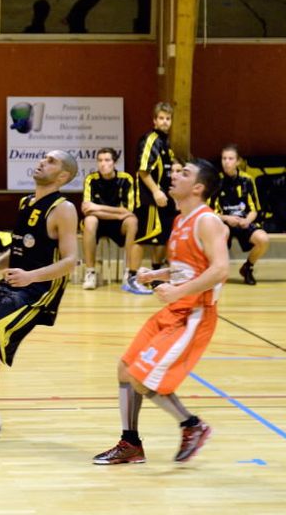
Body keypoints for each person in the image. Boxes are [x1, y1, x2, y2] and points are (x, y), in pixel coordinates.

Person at [92, 158, 227, 465]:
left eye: (184, 173)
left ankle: (192, 425)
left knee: (142, 378)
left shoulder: (208, 221)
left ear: (198, 187)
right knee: (125, 369)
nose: (174, 175)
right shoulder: (181, 220)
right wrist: (157, 275)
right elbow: (187, 268)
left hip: (194, 314)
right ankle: (130, 443)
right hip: (174, 309)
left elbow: (220, 270)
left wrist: (178, 291)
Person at [0, 150, 79, 442]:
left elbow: (71, 260)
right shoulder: (26, 202)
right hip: (14, 282)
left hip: (41, 289)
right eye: (43, 158)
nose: (42, 162)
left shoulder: (63, 209)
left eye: (51, 161)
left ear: (63, 176)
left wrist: (30, 277)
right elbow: (20, 249)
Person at [126, 102, 177, 294]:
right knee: (143, 237)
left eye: (168, 118)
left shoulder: (166, 143)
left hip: (164, 198)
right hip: (149, 198)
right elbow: (143, 170)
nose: (165, 122)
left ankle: (155, 277)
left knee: (162, 238)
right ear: (155, 120)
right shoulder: (151, 139)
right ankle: (131, 277)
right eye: (161, 118)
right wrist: (156, 191)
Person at [80, 148, 138, 290]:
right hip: (98, 223)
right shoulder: (91, 179)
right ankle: (90, 273)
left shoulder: (126, 179)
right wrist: (118, 213)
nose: (103, 164)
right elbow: (87, 209)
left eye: (107, 160)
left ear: (115, 162)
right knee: (90, 220)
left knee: (132, 221)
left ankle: (129, 273)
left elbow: (129, 211)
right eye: (100, 160)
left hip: (119, 225)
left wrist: (97, 207)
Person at [214, 144, 269, 285]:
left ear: (238, 161)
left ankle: (247, 268)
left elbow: (254, 210)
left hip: (243, 222)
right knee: (223, 233)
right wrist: (226, 218)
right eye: (224, 158)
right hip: (223, 223)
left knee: (263, 239)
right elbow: (209, 211)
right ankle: (218, 272)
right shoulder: (216, 181)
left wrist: (247, 220)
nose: (227, 162)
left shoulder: (248, 180)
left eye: (230, 158)